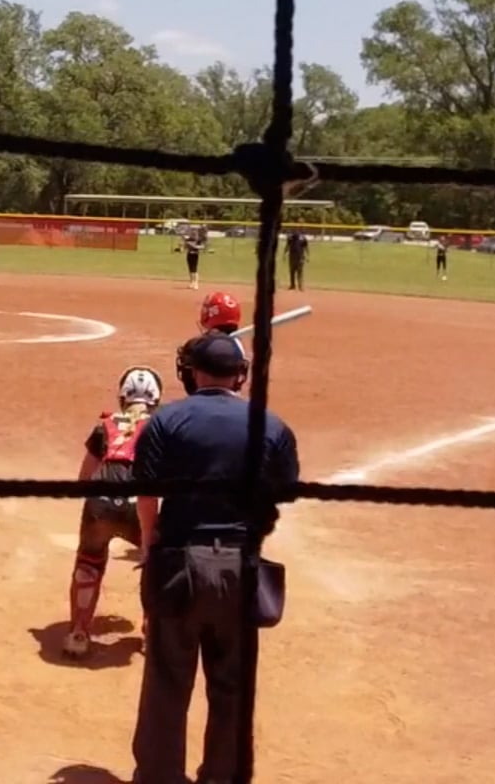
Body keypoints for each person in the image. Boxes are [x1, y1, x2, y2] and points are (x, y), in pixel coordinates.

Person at [130, 331, 300, 784]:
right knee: (233, 686)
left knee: (167, 680)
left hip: (179, 563)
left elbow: (146, 493)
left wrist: (149, 543)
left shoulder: (166, 421)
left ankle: (159, 776)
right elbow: (284, 492)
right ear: (240, 376)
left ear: (193, 373)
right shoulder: (272, 426)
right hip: (240, 569)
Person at [62, 365, 164, 659]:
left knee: (89, 562)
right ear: (156, 400)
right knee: (156, 563)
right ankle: (152, 632)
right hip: (139, 506)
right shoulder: (163, 428)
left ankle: (78, 633)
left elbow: (84, 479)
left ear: (122, 397)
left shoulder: (104, 427)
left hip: (100, 504)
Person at [178, 223, 208, 290]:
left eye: (195, 231)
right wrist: (182, 247)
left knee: (194, 269)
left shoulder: (198, 240)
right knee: (190, 269)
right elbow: (185, 245)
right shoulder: (189, 239)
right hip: (189, 254)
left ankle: (196, 284)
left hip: (195, 254)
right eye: (193, 231)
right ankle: (191, 283)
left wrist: (195, 246)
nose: (194, 232)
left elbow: (202, 247)